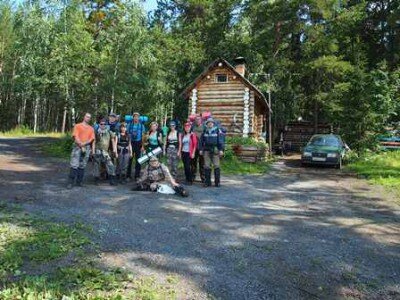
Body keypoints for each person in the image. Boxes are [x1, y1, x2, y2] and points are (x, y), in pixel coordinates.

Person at [67, 113, 95, 189]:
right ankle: (70, 182)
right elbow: (75, 136)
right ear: (84, 117)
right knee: (74, 164)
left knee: (82, 165)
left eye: (89, 117)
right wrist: (80, 144)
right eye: (87, 117)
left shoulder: (91, 128)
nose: (88, 118)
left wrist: (84, 144)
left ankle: (79, 182)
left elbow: (91, 139)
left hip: (86, 148)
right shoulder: (77, 126)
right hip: (77, 147)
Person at [200, 118, 224, 187]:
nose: (210, 123)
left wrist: (221, 149)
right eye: (208, 122)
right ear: (207, 124)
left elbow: (221, 140)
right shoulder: (205, 131)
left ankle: (217, 182)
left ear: (213, 124)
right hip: (206, 151)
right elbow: (201, 141)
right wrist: (201, 149)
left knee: (216, 166)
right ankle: (207, 182)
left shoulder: (217, 130)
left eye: (211, 122)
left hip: (215, 150)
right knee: (207, 166)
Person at [93, 119, 118, 185]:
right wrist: (93, 151)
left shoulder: (109, 132)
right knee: (96, 165)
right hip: (97, 150)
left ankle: (112, 180)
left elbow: (113, 140)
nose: (103, 125)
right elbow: (94, 142)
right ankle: (96, 179)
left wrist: (115, 150)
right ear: (99, 125)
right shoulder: (96, 132)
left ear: (106, 125)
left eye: (104, 124)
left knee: (110, 165)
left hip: (105, 151)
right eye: (101, 124)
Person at [127, 112, 146, 180]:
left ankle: (137, 176)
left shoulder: (141, 125)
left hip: (139, 143)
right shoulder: (129, 125)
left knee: (139, 160)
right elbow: (128, 134)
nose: (136, 118)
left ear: (139, 118)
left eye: (137, 117)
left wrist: (143, 146)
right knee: (130, 159)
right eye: (135, 116)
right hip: (131, 143)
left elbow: (143, 136)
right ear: (133, 117)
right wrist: (128, 144)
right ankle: (128, 176)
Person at [191, 115, 205, 182]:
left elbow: (205, 138)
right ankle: (193, 177)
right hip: (194, 148)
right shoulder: (193, 127)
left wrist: (203, 148)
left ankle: (203, 178)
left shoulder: (204, 127)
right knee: (193, 163)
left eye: (199, 119)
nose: (197, 120)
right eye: (196, 119)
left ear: (201, 120)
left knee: (202, 163)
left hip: (201, 148)